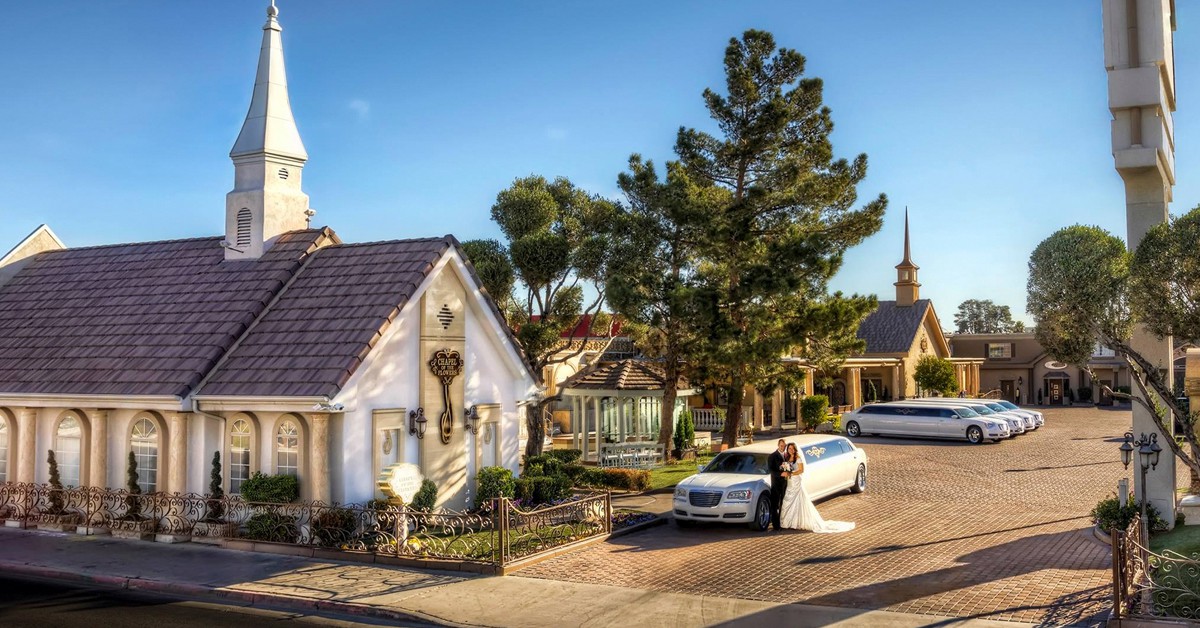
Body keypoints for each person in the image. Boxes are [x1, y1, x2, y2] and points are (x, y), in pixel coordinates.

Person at [779, 443, 855, 533]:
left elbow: (801, 470)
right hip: (790, 482)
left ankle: (798, 522)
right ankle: (790, 522)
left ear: (795, 449)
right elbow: (785, 468)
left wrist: (791, 473)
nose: (791, 450)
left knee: (797, 500)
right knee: (789, 500)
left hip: (796, 482)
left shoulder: (798, 458)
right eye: (789, 448)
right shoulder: (787, 458)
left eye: (792, 448)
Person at [766, 439, 788, 531]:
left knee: (784, 504)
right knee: (775, 505)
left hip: (786, 483)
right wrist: (780, 474)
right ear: (778, 445)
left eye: (784, 446)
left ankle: (783, 522)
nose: (783, 447)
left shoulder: (787, 456)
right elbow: (771, 470)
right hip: (776, 484)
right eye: (781, 445)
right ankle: (776, 525)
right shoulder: (772, 456)